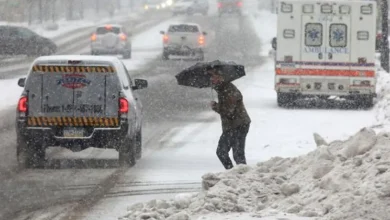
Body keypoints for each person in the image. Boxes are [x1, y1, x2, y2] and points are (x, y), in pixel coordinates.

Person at [208, 68, 251, 170]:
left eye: (214, 76)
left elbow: (229, 111)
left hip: (238, 125)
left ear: (221, 77)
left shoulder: (229, 90)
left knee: (233, 154)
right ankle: (234, 175)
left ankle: (237, 176)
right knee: (228, 153)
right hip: (232, 125)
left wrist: (215, 106)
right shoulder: (222, 89)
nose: (211, 79)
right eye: (211, 77)